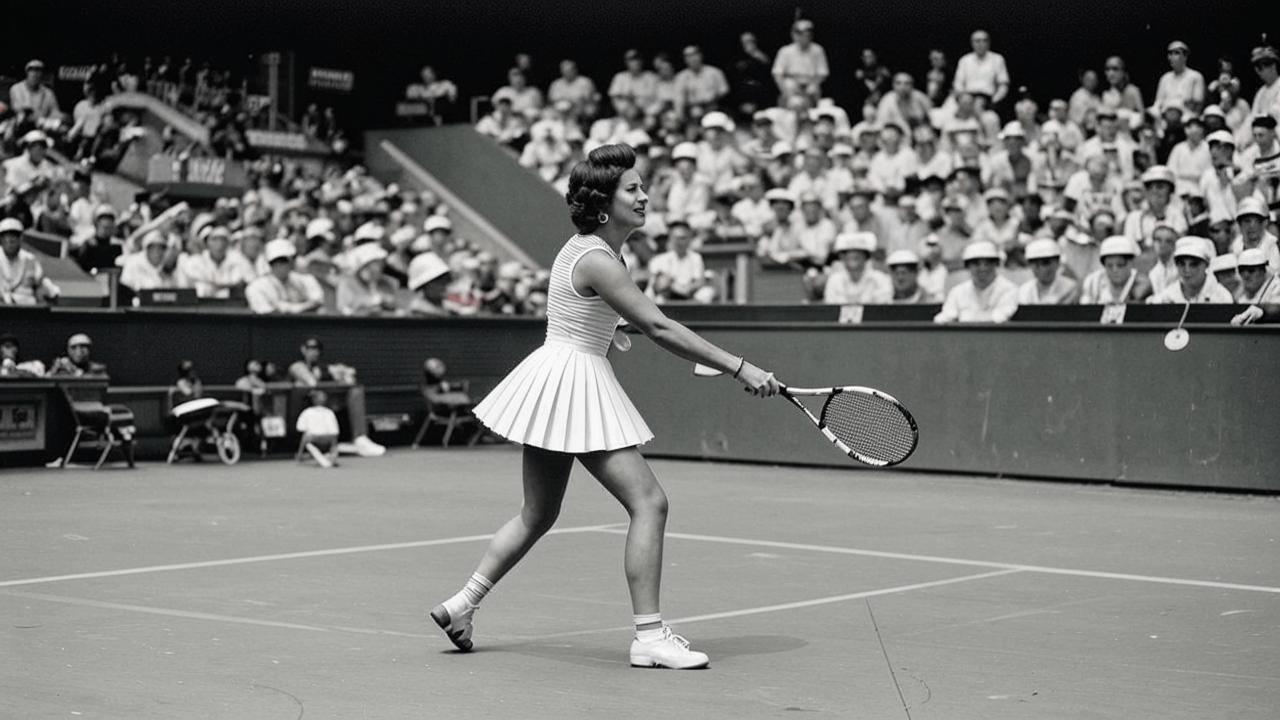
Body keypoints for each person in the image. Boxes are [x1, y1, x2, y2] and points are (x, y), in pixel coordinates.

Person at [432, 144, 779, 670]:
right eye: (632, 190)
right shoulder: (597, 258)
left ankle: (462, 605)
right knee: (649, 503)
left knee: (538, 513)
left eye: (643, 187)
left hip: (554, 373)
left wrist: (609, 330)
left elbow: (597, 314)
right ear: (602, 204)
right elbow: (659, 325)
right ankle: (649, 636)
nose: (644, 197)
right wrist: (740, 367)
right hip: (572, 379)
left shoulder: (593, 251)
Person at [287, 336, 386, 457]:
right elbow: (310, 381)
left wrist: (342, 373)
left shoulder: (324, 367)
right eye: (311, 348)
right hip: (303, 415)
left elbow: (351, 374)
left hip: (325, 408)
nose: (315, 352)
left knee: (355, 390)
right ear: (303, 350)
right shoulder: (297, 366)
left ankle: (360, 438)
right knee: (320, 394)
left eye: (318, 349)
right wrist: (330, 374)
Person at [934, 241, 1018, 322]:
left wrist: (966, 318)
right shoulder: (957, 292)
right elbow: (945, 317)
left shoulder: (1009, 290)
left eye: (987, 263)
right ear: (968, 266)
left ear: (995, 264)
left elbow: (999, 318)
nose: (982, 268)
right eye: (976, 264)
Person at [245, 239, 325, 314]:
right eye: (280, 260)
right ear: (270, 263)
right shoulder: (256, 287)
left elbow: (318, 301)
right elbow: (267, 314)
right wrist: (300, 307)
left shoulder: (305, 280)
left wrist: (289, 308)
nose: (284, 264)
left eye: (289, 259)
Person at [1148, 236, 1234, 303]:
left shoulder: (1222, 297)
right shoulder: (1166, 297)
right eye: (1181, 264)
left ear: (1206, 265)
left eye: (1194, 264)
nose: (1187, 270)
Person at [647, 220, 714, 303]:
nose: (679, 242)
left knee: (707, 292)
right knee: (656, 297)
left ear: (689, 239)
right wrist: (674, 287)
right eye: (676, 238)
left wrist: (687, 289)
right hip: (668, 294)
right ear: (670, 239)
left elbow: (699, 282)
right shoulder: (659, 259)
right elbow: (659, 285)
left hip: (689, 294)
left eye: (683, 238)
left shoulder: (696, 257)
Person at [1, 217, 60, 305]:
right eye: (6, 236)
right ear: (1, 239)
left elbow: (43, 283)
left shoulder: (29, 259)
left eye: (14, 236)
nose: (10, 240)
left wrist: (50, 293)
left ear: (21, 239)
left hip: (26, 309)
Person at [822, 232, 891, 305]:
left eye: (858, 252)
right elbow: (831, 308)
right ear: (842, 257)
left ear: (866, 256)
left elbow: (883, 309)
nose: (853, 255)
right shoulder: (834, 281)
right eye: (847, 252)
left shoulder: (881, 279)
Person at [1080, 236, 1153, 304]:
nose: (1115, 270)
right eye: (1109, 265)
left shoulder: (1144, 285)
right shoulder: (1093, 283)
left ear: (1131, 263)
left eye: (1120, 265)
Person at [772, 18, 829, 101]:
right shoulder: (785, 51)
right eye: (799, 34)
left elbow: (823, 72)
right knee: (789, 87)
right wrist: (785, 91)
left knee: (813, 90)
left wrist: (814, 84)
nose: (804, 37)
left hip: (810, 82)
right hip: (791, 83)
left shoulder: (818, 50)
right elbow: (777, 73)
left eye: (807, 34)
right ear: (794, 35)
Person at [952, 30, 1010, 106]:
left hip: (987, 97)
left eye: (984, 41)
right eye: (977, 41)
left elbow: (1003, 83)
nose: (981, 44)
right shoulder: (964, 60)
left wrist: (995, 100)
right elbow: (958, 83)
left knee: (978, 103)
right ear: (972, 43)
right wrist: (962, 96)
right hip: (966, 97)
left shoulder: (997, 59)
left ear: (989, 43)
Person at [1017, 239, 1080, 304]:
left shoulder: (1070, 287)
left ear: (1057, 262)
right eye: (1035, 263)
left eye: (1045, 262)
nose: (1041, 268)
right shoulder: (1024, 290)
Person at [1154, 41, 1205, 116]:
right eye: (1170, 53)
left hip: (1187, 116)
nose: (1171, 57)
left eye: (1176, 53)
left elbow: (1198, 104)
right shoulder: (1165, 78)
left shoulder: (1196, 76)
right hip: (1165, 115)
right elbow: (1158, 102)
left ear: (1185, 56)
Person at [1230, 198, 1280, 272]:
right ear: (1240, 224)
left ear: (1265, 223)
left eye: (1257, 221)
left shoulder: (1275, 245)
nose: (1252, 226)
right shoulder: (1235, 247)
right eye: (1247, 221)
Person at [296, 389, 340, 468]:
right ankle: (330, 456)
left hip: (320, 439)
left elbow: (300, 428)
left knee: (305, 437)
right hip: (320, 439)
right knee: (307, 438)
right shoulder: (328, 412)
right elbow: (335, 431)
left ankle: (329, 457)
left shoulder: (308, 412)